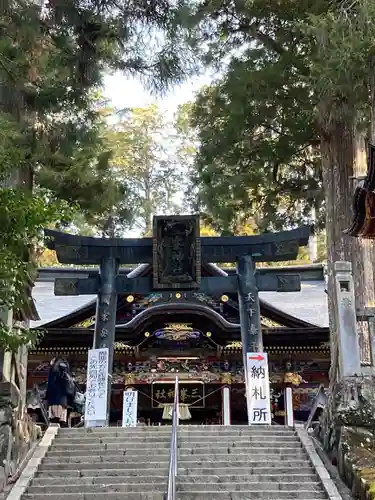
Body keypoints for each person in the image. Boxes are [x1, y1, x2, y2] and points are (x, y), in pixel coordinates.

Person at [46, 358, 76, 428]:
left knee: (54, 418)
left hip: (54, 400)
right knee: (61, 419)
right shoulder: (66, 373)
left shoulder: (54, 372)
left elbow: (50, 385)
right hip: (63, 400)